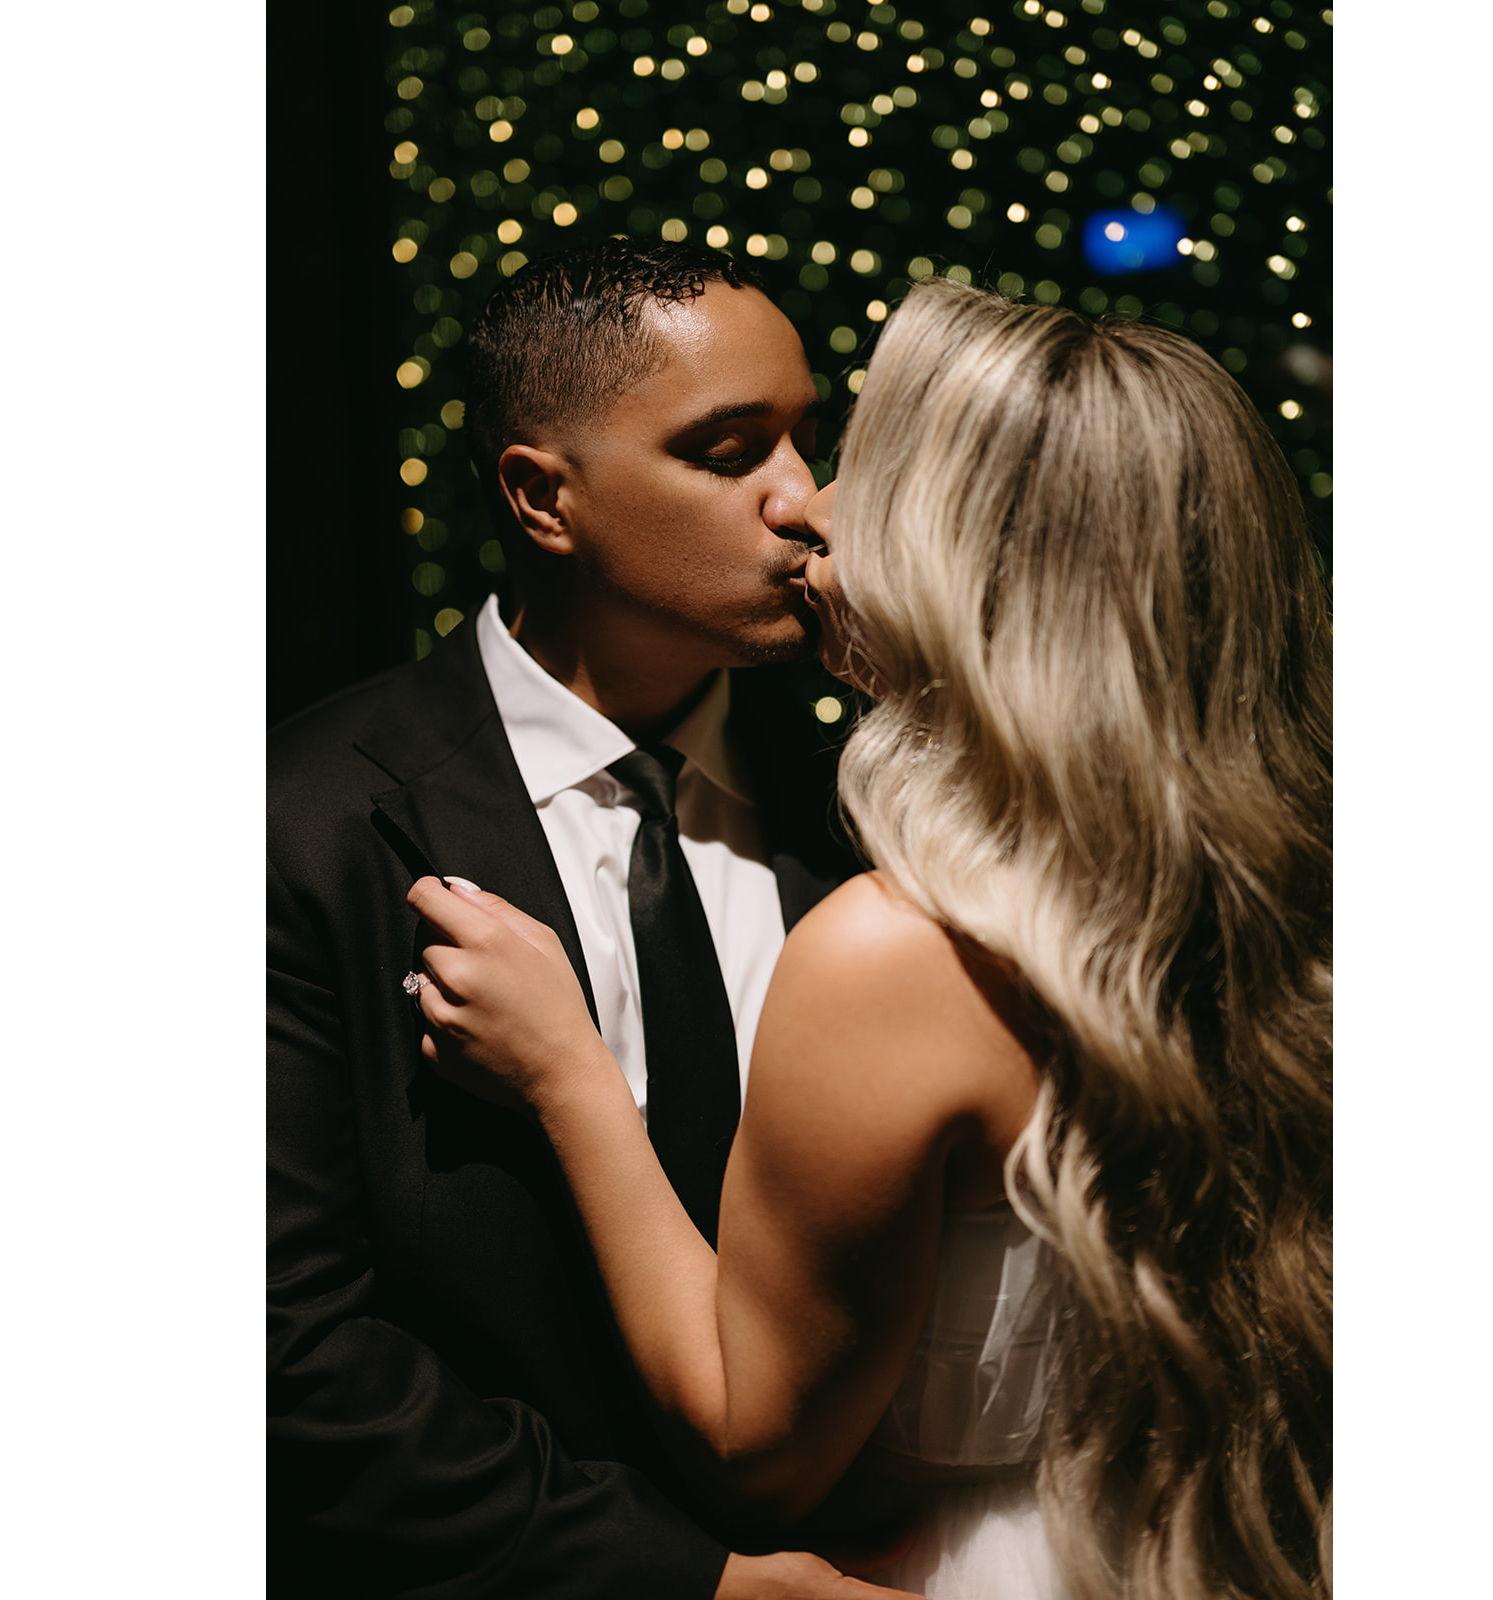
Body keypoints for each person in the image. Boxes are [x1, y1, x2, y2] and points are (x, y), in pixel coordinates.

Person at [405, 279, 1335, 1599]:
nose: (811, 504)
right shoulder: (1289, 888)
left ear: (977, 561)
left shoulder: (894, 950)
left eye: (861, 465)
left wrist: (569, 1077)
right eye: (743, 453)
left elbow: (756, 1449)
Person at [268, 239, 921, 1598]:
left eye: (807, 440)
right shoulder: (306, 828)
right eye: (730, 453)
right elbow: (281, 1351)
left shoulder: (883, 803)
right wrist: (695, 1580)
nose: (806, 501)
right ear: (540, 498)